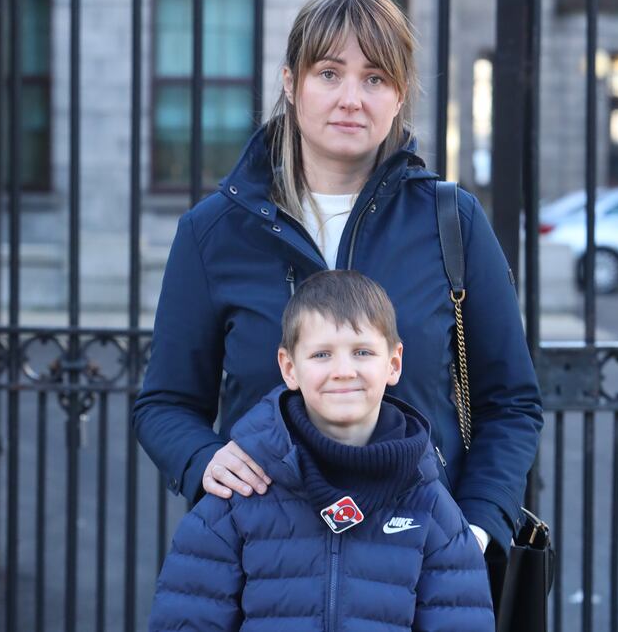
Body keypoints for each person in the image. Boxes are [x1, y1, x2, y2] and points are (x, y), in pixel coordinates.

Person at [133, 0, 542, 579]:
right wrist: (201, 460)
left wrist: (475, 527)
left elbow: (511, 401)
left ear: (399, 96)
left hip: (420, 569)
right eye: (329, 73)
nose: (352, 97)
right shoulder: (213, 232)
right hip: (267, 568)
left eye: (375, 78)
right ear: (291, 83)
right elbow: (164, 403)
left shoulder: (451, 221)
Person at [148, 270, 495, 631]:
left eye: (362, 352)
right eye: (322, 354)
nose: (343, 371)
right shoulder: (240, 497)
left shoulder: (430, 506)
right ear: (289, 367)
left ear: (393, 363)